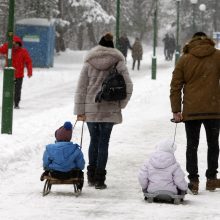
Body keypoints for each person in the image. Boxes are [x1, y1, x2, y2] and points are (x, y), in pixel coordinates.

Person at [74, 32, 133, 189]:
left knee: (94, 141)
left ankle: (91, 176)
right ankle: (100, 179)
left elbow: (81, 88)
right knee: (103, 143)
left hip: (91, 109)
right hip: (109, 108)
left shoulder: (88, 62)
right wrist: (121, 104)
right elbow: (129, 85)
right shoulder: (118, 62)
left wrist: (80, 110)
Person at [170, 32, 220, 195]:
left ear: (192, 41)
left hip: (192, 110)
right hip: (214, 109)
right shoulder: (217, 56)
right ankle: (212, 178)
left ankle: (193, 180)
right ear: (207, 41)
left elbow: (175, 85)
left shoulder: (185, 59)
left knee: (192, 145)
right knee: (213, 144)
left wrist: (176, 110)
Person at [0, 35, 32, 109]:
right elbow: (1, 50)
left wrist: (29, 72)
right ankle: (7, 102)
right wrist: (8, 45)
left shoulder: (23, 51)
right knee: (8, 89)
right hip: (9, 74)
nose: (16, 46)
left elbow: (28, 62)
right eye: (14, 44)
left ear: (19, 44)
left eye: (17, 44)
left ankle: (16, 103)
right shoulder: (9, 49)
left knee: (17, 90)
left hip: (19, 75)